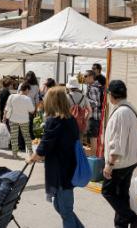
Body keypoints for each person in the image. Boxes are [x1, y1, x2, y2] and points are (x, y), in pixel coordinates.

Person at [28, 86, 83, 228]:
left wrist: (33, 157)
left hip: (60, 171)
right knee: (60, 206)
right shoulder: (70, 119)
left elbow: (45, 145)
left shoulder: (55, 121)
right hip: (68, 168)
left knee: (65, 210)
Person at [101, 80, 137, 228]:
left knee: (108, 191)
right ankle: (121, 224)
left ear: (112, 95)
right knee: (121, 194)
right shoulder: (129, 109)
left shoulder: (121, 112)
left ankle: (134, 219)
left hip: (121, 162)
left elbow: (117, 142)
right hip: (130, 160)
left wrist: (110, 164)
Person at [5, 82, 35, 159]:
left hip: (13, 119)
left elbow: (7, 108)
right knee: (26, 136)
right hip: (24, 120)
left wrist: (4, 117)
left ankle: (15, 154)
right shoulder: (27, 99)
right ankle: (31, 153)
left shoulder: (12, 96)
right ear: (27, 89)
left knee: (14, 137)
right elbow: (32, 110)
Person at [84, 70, 103, 156]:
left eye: (85, 76)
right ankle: (94, 157)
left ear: (91, 77)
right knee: (94, 139)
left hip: (94, 117)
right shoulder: (94, 86)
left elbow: (96, 103)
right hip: (95, 116)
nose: (84, 78)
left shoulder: (93, 88)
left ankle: (93, 158)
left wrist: (85, 100)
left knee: (93, 139)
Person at [19, 71, 40, 140]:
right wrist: (36, 110)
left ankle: (21, 142)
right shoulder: (36, 87)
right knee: (29, 126)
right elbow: (37, 99)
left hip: (22, 107)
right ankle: (29, 142)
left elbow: (18, 95)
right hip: (31, 108)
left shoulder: (21, 85)